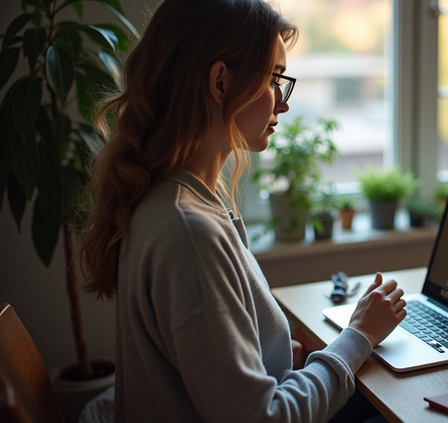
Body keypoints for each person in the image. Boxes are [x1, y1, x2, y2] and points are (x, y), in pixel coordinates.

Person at [78, 0, 407, 421]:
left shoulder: (182, 198)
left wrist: (267, 360)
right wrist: (358, 335)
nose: (282, 103)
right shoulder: (188, 230)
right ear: (219, 82)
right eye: (274, 80)